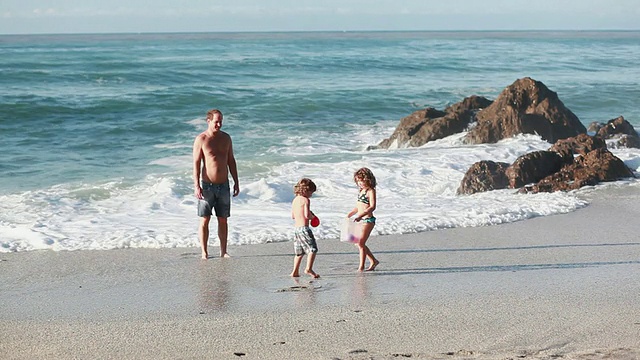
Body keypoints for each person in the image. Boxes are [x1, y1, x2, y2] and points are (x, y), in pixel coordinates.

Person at [193, 109, 239, 259]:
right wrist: (196, 185)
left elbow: (231, 160)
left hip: (224, 185)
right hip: (207, 186)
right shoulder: (201, 139)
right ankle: (204, 252)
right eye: (216, 121)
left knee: (223, 219)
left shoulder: (226, 138)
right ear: (208, 121)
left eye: (220, 121)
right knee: (205, 219)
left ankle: (223, 251)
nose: (219, 124)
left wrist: (236, 182)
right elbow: (196, 163)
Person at [346, 167, 379, 271]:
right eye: (358, 182)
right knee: (358, 243)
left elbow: (372, 206)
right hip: (360, 220)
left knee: (360, 243)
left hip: (368, 220)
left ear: (368, 180)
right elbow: (359, 206)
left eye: (361, 181)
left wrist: (361, 215)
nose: (359, 184)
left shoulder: (370, 191)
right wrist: (350, 214)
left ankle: (361, 266)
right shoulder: (361, 191)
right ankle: (373, 261)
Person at [290, 178, 320, 278]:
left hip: (296, 230)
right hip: (304, 229)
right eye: (311, 192)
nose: (311, 195)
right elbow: (307, 215)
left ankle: (295, 271)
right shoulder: (306, 200)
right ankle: (308, 268)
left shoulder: (294, 200)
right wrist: (313, 216)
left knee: (299, 252)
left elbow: (293, 216)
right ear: (306, 190)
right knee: (312, 249)